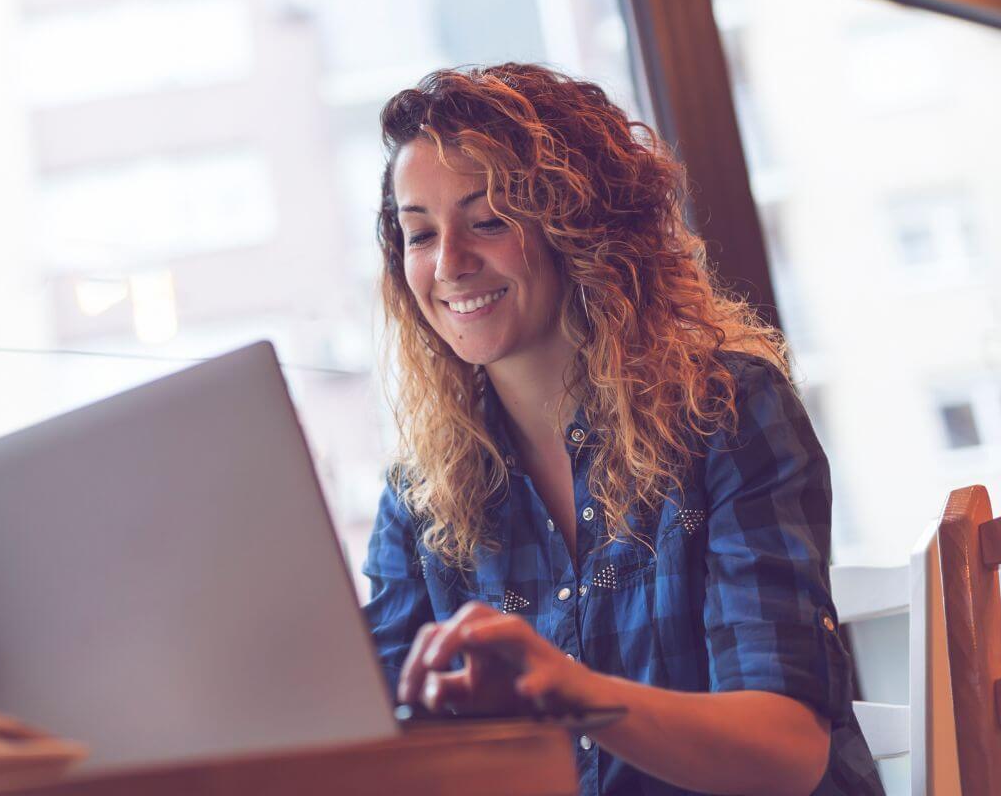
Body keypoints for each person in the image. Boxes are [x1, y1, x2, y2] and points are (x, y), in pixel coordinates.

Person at [363, 63, 884, 796]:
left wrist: (567, 690)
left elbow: (786, 752)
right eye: (419, 234)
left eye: (489, 221)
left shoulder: (726, 412)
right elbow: (369, 743)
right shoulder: (419, 495)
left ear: (580, 228)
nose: (449, 263)